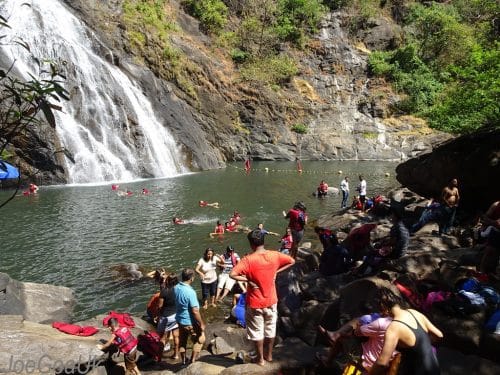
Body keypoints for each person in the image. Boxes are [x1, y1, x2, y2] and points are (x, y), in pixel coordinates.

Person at [230, 229, 295, 366]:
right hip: (271, 300)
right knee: (270, 329)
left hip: (255, 302)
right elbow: (291, 261)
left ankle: (260, 359)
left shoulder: (248, 260)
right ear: (263, 241)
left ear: (251, 244)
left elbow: (232, 274)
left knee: (256, 331)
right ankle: (269, 355)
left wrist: (248, 280)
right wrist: (276, 271)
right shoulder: (274, 255)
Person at [370, 289, 443, 375]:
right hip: (434, 367)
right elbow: (439, 335)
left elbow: (382, 363)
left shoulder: (394, 328)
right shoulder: (414, 312)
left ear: (384, 308)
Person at [317, 313, 396, 372]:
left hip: (368, 361)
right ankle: (336, 337)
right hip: (381, 363)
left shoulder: (382, 322)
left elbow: (357, 333)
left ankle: (328, 361)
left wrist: (358, 327)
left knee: (343, 337)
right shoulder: (398, 326)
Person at [174, 269, 206, 365]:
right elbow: (195, 311)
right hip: (189, 322)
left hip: (180, 320)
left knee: (182, 341)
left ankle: (183, 360)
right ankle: (192, 361)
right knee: (200, 340)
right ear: (192, 278)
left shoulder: (176, 287)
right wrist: (201, 324)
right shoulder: (190, 292)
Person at [156, 274, 180, 359]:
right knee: (176, 336)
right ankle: (176, 354)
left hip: (166, 316)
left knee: (162, 338)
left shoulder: (164, 291)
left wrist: (158, 315)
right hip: (176, 315)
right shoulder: (179, 290)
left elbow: (159, 306)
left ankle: (159, 358)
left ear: (168, 281)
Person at [479, 200, 500, 274]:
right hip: (496, 231)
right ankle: (482, 271)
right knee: (489, 251)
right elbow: (485, 218)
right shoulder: (496, 205)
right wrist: (494, 222)